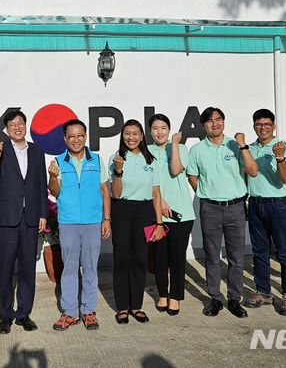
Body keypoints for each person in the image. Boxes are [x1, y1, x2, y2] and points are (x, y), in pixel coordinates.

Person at [186, 107, 258, 318]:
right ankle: (215, 298)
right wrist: (205, 193)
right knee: (212, 257)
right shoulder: (197, 150)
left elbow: (253, 171)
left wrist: (243, 146)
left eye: (218, 120)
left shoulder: (236, 145)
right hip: (210, 208)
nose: (214, 124)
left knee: (236, 257)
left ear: (224, 122)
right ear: (203, 125)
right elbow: (192, 175)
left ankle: (234, 299)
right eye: (209, 121)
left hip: (236, 207)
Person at [0, 110, 48, 334]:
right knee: (5, 268)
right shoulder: (0, 150)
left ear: (25, 125)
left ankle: (23, 313)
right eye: (12, 124)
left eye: (20, 123)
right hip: (7, 219)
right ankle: (5, 314)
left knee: (27, 268)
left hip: (30, 218)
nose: (17, 127)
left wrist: (43, 214)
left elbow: (42, 183)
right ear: (6, 129)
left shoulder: (37, 151)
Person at [48, 119, 112, 331]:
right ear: (65, 139)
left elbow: (105, 191)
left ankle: (88, 311)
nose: (76, 140)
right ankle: (70, 312)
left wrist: (106, 219)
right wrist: (53, 176)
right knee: (69, 269)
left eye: (80, 135)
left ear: (85, 137)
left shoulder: (97, 160)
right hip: (68, 222)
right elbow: (55, 192)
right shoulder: (58, 161)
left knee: (91, 268)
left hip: (93, 221)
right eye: (71, 136)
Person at [107, 119, 164, 324]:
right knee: (122, 258)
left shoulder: (152, 160)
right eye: (127, 133)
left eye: (135, 133)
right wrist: (119, 171)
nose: (131, 137)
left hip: (145, 210)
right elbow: (115, 193)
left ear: (142, 136)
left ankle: (136, 306)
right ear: (122, 136)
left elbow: (156, 194)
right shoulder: (116, 158)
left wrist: (159, 223)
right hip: (122, 209)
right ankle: (122, 307)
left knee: (140, 258)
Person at [243, 109, 286, 316]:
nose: (263, 127)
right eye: (259, 124)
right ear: (254, 126)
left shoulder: (281, 147)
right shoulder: (250, 149)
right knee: (259, 252)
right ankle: (263, 292)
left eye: (267, 124)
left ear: (273, 126)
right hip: (256, 204)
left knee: (284, 252)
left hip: (279, 205)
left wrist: (280, 157)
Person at [148, 114, 196, 316]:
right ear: (150, 131)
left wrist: (175, 144)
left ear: (169, 130)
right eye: (155, 128)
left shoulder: (181, 148)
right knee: (158, 258)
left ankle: (175, 296)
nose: (159, 132)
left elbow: (176, 170)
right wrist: (160, 202)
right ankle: (162, 294)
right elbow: (146, 181)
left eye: (164, 128)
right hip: (155, 213)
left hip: (181, 215)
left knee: (177, 257)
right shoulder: (145, 152)